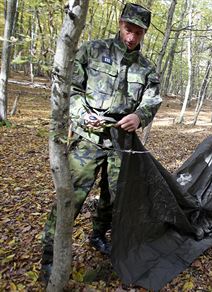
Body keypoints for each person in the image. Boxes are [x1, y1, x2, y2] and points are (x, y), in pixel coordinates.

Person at [40, 3, 162, 281]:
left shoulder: (147, 69)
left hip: (121, 145)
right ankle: (50, 256)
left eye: (138, 33)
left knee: (112, 199)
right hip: (87, 140)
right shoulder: (93, 50)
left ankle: (99, 235)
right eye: (128, 29)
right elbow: (72, 87)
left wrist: (139, 116)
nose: (131, 37)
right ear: (120, 23)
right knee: (70, 199)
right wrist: (82, 115)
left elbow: (152, 99)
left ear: (145, 33)